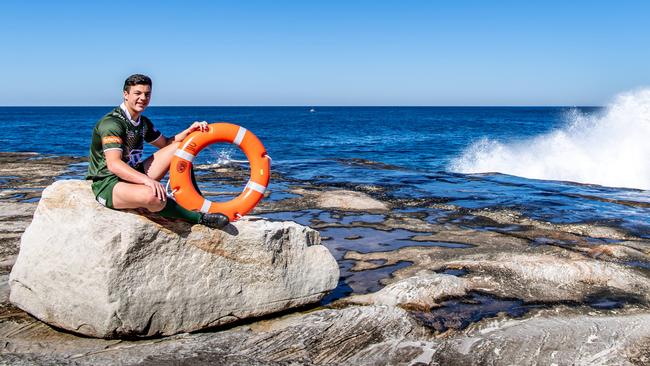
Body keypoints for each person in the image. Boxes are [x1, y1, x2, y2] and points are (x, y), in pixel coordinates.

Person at [85, 74, 229, 228]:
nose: (143, 98)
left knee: (180, 149)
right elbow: (114, 164)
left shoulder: (143, 123)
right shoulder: (112, 123)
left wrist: (189, 131)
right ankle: (199, 218)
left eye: (147, 94)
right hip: (108, 183)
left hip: (132, 173)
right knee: (154, 197)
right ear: (125, 95)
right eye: (138, 93)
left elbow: (167, 144)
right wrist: (147, 180)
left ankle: (194, 201)